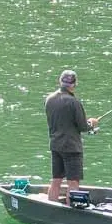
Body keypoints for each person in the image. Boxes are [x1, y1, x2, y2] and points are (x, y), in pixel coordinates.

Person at [45, 70, 98, 203]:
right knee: (73, 183)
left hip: (55, 145)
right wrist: (92, 123)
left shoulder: (49, 99)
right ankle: (70, 210)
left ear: (60, 82)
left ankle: (51, 207)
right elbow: (83, 127)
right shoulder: (74, 102)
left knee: (56, 179)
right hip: (71, 148)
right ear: (74, 85)